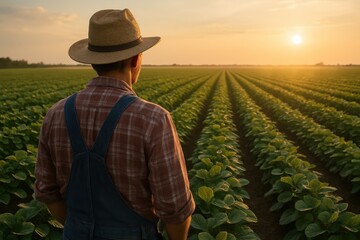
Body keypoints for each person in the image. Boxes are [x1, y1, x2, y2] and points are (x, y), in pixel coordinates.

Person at [34, 8, 195, 240]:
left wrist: (81, 227)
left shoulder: (55, 114)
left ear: (93, 62)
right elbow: (175, 211)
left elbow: (48, 193)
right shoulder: (153, 119)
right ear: (136, 59)